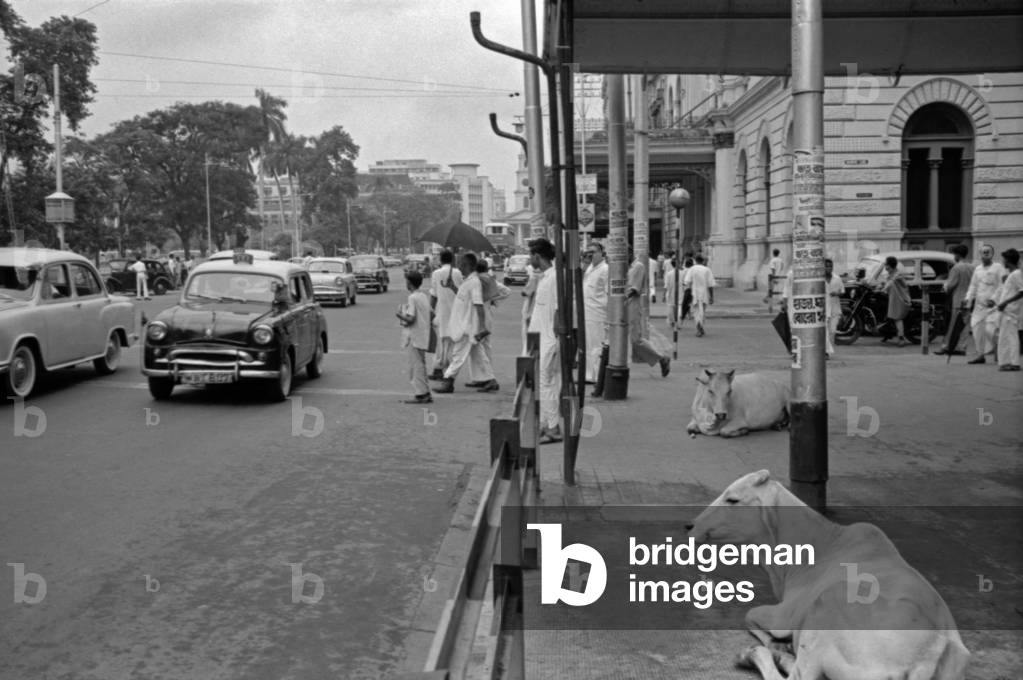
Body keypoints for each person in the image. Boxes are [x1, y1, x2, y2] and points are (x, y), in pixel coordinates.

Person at [434, 253, 496, 394]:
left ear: (468, 265)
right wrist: (452, 287)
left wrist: (482, 327)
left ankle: (448, 381)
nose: (459, 266)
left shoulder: (474, 282)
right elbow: (463, 298)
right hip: (464, 324)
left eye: (462, 263)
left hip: (468, 326)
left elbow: (478, 304)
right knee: (478, 354)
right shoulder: (467, 281)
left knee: (458, 355)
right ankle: (491, 380)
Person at [527, 239, 562, 443]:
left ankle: (554, 428)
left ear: (538, 256)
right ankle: (547, 423)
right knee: (545, 382)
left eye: (531, 255)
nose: (530, 259)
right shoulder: (545, 277)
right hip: (541, 337)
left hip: (549, 338)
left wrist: (555, 338)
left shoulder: (555, 277)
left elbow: (558, 308)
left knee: (546, 382)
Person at [627, 249, 671, 376]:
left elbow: (634, 289)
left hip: (631, 306)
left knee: (635, 339)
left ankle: (661, 358)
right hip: (620, 307)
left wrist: (620, 298)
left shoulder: (638, 266)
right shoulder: (623, 267)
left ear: (630, 254)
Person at [964, 244, 1006, 364]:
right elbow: (973, 286)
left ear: (992, 254)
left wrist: (994, 299)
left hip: (993, 306)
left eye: (988, 252)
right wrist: (968, 299)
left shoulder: (998, 268)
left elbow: (1002, 285)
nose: (986, 254)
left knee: (991, 330)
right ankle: (980, 355)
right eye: (983, 252)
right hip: (979, 306)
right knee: (977, 329)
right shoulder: (977, 269)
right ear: (980, 254)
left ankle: (998, 352)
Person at [396, 271, 434, 403]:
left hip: (415, 336)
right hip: (423, 334)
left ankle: (421, 394)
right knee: (421, 365)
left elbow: (411, 318)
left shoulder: (412, 298)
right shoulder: (423, 296)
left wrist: (400, 315)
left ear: (409, 283)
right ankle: (425, 392)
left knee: (415, 366)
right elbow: (430, 313)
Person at [429, 250, 463, 379]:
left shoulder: (436, 274)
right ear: (453, 260)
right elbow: (461, 291)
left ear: (440, 260)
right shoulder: (458, 272)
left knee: (441, 342)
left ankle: (440, 368)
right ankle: (445, 368)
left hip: (441, 311)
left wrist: (430, 311)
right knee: (451, 342)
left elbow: (433, 294)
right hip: (455, 311)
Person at [936, 244, 974, 356]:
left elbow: (951, 285)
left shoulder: (956, 268)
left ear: (957, 255)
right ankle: (961, 347)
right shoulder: (972, 267)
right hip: (969, 299)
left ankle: (947, 346)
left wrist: (945, 286)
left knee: (953, 324)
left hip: (957, 299)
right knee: (965, 325)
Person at [582, 241, 608, 383]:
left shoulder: (605, 269)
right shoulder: (589, 268)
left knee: (597, 346)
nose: (590, 255)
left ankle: (598, 376)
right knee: (588, 345)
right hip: (587, 312)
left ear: (601, 253)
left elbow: (608, 293)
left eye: (593, 252)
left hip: (598, 313)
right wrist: (585, 263)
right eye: (588, 252)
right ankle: (589, 375)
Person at [992, 248, 1022, 371]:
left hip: (1010, 311)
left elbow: (1022, 291)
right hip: (1006, 311)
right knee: (1005, 337)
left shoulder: (1016, 274)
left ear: (1008, 260)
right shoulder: (1011, 275)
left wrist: (1005, 302)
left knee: (1011, 337)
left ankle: (1014, 363)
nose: (1002, 261)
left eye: (1004, 259)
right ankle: (1007, 361)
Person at [879, 255, 911, 346]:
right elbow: (886, 282)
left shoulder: (897, 274)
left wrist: (884, 288)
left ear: (891, 265)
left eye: (887, 265)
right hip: (894, 297)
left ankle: (901, 338)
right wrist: (880, 285)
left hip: (900, 298)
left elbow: (891, 282)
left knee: (897, 318)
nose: (885, 267)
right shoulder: (891, 273)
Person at [683, 255, 715, 337]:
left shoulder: (692, 269)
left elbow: (687, 282)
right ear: (703, 261)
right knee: (702, 312)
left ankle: (699, 328)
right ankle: (700, 327)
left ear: (695, 261)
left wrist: (688, 293)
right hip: (704, 294)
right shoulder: (707, 270)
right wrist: (712, 297)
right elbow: (710, 284)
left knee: (697, 312)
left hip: (695, 294)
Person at [823, 258, 845, 358]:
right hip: (824, 308)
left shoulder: (837, 278)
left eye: (830, 266)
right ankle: (826, 352)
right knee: (825, 331)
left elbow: (843, 291)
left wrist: (837, 293)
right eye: (826, 266)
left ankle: (829, 350)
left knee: (832, 331)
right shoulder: (819, 279)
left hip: (835, 308)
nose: (829, 268)